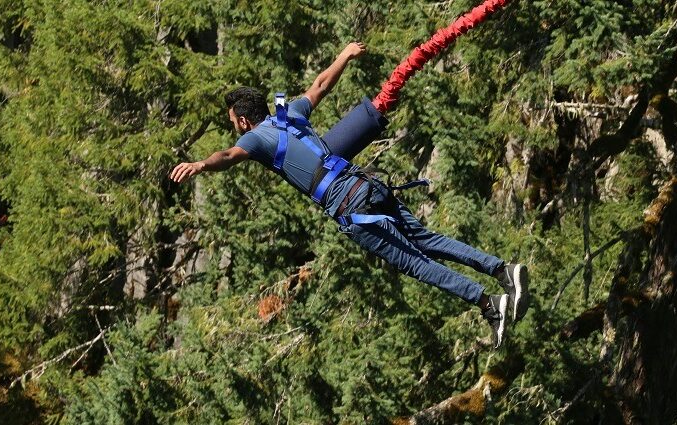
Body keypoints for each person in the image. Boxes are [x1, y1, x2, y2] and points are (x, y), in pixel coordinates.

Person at [169, 42, 529, 348]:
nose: (235, 129)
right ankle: (502, 270)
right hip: (365, 183)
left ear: (244, 121)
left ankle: (488, 303)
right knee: (426, 239)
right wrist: (344, 56)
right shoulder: (289, 114)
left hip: (347, 203)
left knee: (415, 263)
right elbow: (320, 86)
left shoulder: (254, 138)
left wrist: (201, 164)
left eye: (233, 122)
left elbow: (228, 156)